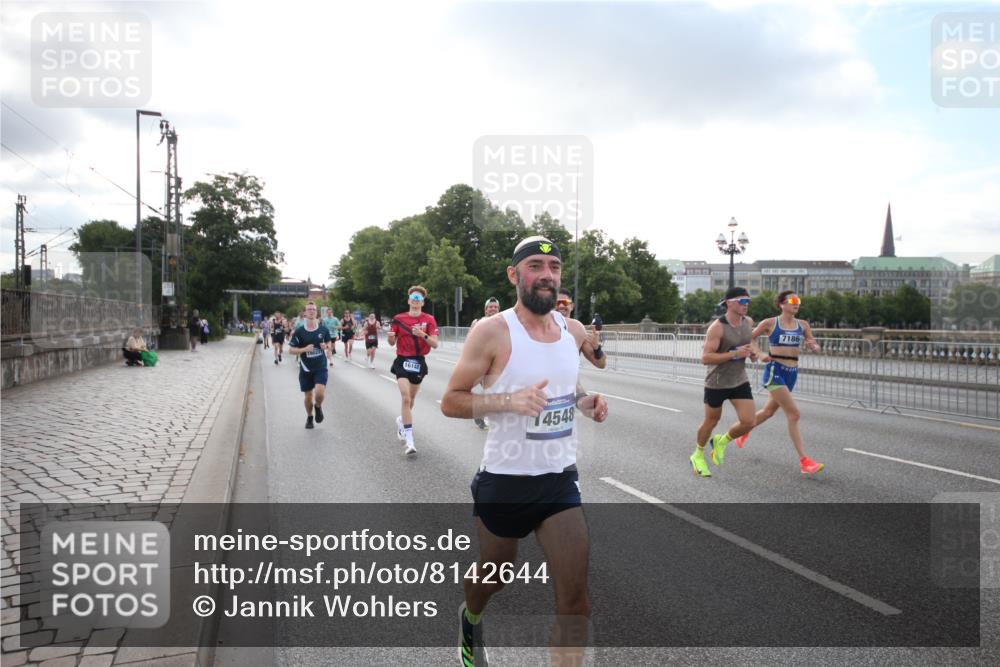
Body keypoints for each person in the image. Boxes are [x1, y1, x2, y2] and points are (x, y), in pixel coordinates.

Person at [441, 236, 608, 667]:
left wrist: (585, 401)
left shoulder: (571, 331)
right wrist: (506, 402)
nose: (547, 274)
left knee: (575, 597)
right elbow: (452, 400)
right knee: (496, 574)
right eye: (536, 265)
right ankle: (470, 616)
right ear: (515, 275)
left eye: (554, 266)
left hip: (558, 481)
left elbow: (566, 388)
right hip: (504, 480)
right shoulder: (492, 332)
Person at [734, 291, 825, 474]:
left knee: (768, 412)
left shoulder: (803, 325)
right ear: (781, 304)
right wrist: (759, 354)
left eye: (798, 300)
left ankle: (742, 431)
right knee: (794, 414)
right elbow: (750, 338)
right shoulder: (770, 323)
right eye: (792, 300)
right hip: (775, 370)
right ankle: (804, 461)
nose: (796, 303)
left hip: (792, 372)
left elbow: (814, 344)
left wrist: (814, 347)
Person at [690, 286, 762, 478]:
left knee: (749, 421)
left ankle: (722, 441)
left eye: (748, 301)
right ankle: (698, 454)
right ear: (729, 303)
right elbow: (705, 358)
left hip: (739, 379)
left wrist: (754, 352)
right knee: (711, 421)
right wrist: (734, 354)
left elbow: (750, 340)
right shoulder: (717, 327)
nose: (747, 305)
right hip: (717, 382)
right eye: (742, 301)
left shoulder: (748, 322)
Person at [388, 286, 439, 456]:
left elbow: (435, 344)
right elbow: (391, 342)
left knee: (412, 399)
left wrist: (422, 335)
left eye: (419, 298)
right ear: (409, 300)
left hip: (418, 361)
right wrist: (390, 338)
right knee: (405, 397)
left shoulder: (429, 319)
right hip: (402, 360)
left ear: (423, 302)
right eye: (413, 297)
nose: (416, 300)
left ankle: (402, 421)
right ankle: (410, 441)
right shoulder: (399, 318)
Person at [287, 302, 333, 429]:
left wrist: (327, 346)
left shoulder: (323, 329)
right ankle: (309, 417)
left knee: (319, 393)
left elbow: (329, 343)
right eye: (309, 309)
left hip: (320, 367)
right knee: (308, 396)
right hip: (306, 368)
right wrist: (304, 349)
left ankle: (318, 407)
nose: (312, 311)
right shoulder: (300, 331)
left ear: (316, 312)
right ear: (305, 313)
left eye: (314, 309)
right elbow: (291, 350)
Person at [469, 298, 502, 430]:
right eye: (490, 307)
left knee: (493, 388)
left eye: (495, 307)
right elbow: (470, 342)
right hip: (482, 360)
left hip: (499, 360)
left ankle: (480, 412)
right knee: (490, 387)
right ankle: (486, 415)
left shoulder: (504, 322)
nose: (493, 309)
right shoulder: (478, 322)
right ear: (485, 309)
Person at [556, 288, 606, 370]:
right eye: (557, 303)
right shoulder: (539, 327)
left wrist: (597, 348)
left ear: (572, 306)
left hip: (570, 382)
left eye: (565, 302)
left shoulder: (578, 330)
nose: (561, 306)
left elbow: (601, 364)